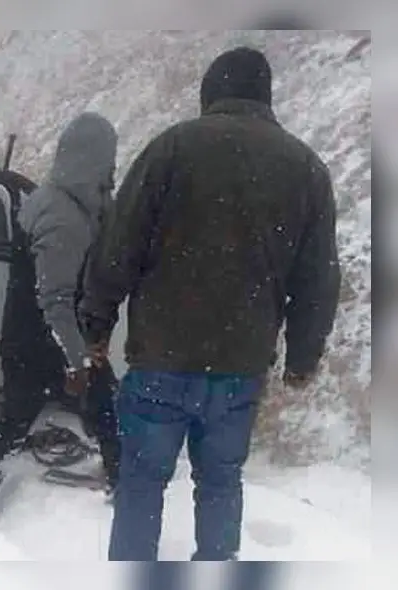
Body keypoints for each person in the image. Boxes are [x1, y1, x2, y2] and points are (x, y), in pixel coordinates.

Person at [78, 47, 341, 561]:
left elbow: (119, 245)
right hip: (240, 367)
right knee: (220, 484)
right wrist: (304, 356)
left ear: (211, 93)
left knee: (142, 484)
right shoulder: (306, 168)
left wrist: (96, 321)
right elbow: (317, 278)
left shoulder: (174, 148)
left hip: (161, 357)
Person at [0, 112, 120, 516]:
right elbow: (56, 299)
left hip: (29, 341)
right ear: (93, 161)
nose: (112, 175)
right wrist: (77, 359)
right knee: (107, 411)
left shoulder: (57, 201)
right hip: (46, 342)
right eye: (108, 164)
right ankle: (124, 486)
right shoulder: (64, 219)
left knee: (14, 425)